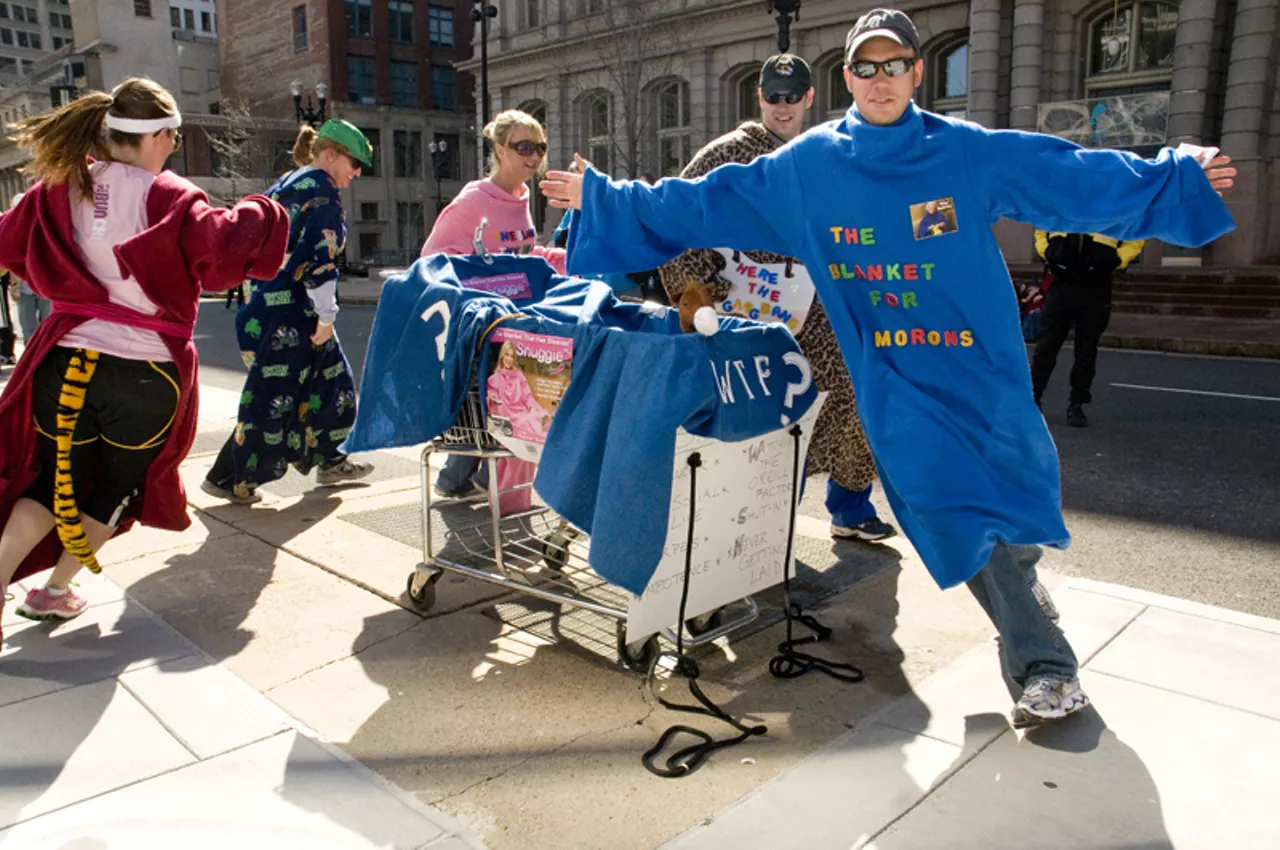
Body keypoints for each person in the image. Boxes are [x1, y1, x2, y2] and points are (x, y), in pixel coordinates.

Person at [541, 7, 1236, 728]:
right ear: (847, 78)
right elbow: (705, 201)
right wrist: (606, 198)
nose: (880, 78)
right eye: (865, 67)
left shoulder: (961, 151)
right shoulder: (809, 167)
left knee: (1008, 505)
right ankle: (1045, 664)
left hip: (982, 371)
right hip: (895, 381)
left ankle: (1025, 597)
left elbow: (1066, 174)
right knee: (950, 508)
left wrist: (1172, 177)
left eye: (894, 64)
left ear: (916, 71)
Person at [0, 78, 289, 639]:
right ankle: (54, 590)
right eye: (174, 138)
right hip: (144, 374)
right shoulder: (172, 197)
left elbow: (10, 242)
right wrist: (264, 208)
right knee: (115, 489)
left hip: (63, 360)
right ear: (157, 135)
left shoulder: (56, 190)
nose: (172, 148)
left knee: (50, 480)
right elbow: (224, 250)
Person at [659, 52, 896, 543]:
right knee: (759, 414)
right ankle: (751, 518)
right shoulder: (726, 153)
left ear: (810, 98)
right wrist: (700, 293)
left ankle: (849, 505)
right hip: (746, 311)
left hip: (818, 307)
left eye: (793, 96)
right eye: (773, 96)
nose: (782, 106)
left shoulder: (825, 153)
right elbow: (676, 217)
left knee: (860, 390)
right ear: (760, 98)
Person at [203, 120, 376, 504]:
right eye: (354, 162)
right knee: (273, 396)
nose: (358, 172)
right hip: (291, 315)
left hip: (264, 308)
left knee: (329, 383)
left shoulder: (287, 184)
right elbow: (320, 261)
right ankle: (227, 477)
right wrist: (326, 318)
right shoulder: (322, 193)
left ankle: (330, 460)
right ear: (330, 154)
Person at [421, 109, 566, 499]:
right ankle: (486, 480)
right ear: (500, 149)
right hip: (480, 327)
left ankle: (458, 480)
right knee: (498, 401)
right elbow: (435, 259)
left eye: (539, 147)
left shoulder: (519, 197)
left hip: (512, 321)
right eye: (523, 146)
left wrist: (556, 260)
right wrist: (485, 281)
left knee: (494, 403)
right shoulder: (473, 201)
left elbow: (518, 251)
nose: (533, 156)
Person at [1030, 231, 1144, 427]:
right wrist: (1048, 252)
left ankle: (1077, 404)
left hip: (1096, 286)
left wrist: (1117, 260)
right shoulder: (1063, 199)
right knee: (1046, 347)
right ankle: (1033, 400)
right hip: (1062, 283)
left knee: (1086, 350)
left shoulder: (1112, 202)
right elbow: (1042, 225)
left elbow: (1135, 234)